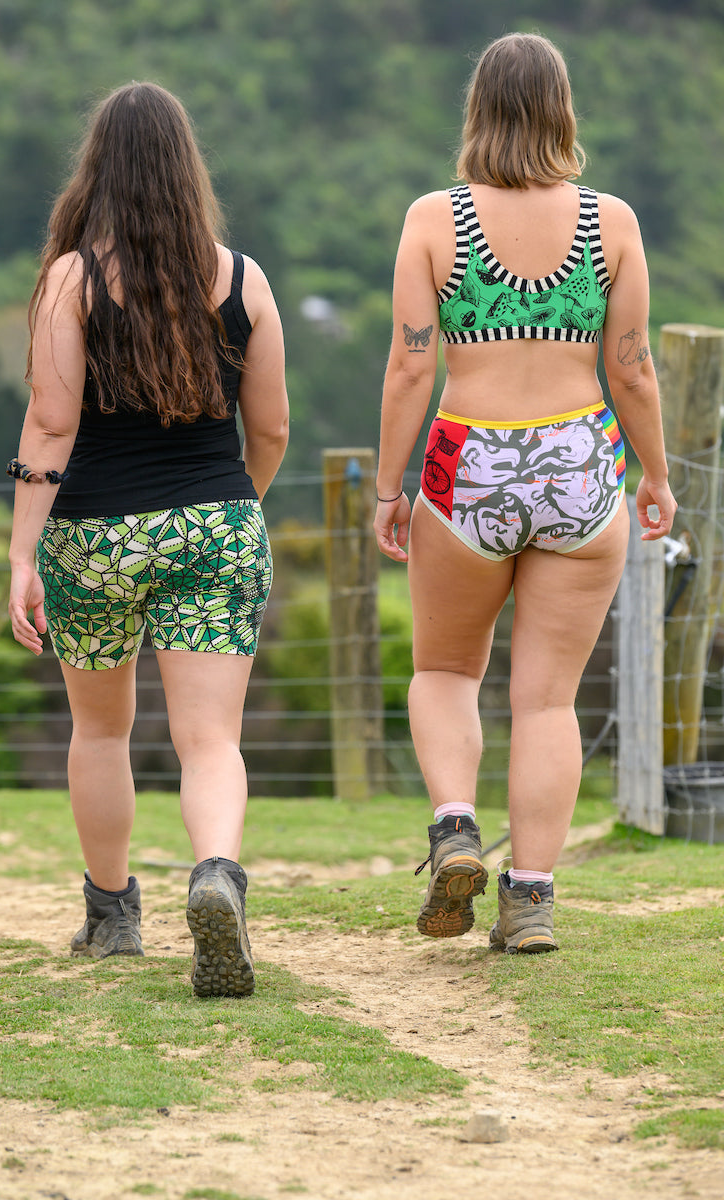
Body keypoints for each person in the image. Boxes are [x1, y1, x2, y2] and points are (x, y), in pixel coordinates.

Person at [373, 33, 676, 954]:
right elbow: (633, 369)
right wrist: (655, 475)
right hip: (581, 460)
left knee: (445, 671)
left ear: (478, 111)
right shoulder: (611, 223)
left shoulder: (434, 219)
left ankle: (455, 826)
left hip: (467, 461)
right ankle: (532, 899)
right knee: (546, 702)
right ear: (562, 111)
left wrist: (389, 487)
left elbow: (409, 368)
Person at [8, 82, 289, 996]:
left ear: (97, 171)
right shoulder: (243, 280)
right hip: (215, 523)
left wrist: (22, 553)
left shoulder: (72, 280)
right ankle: (216, 878)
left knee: (101, 731)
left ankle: (112, 914)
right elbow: (272, 429)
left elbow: (51, 425)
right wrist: (228, 512)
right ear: (186, 171)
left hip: (94, 538)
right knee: (211, 740)